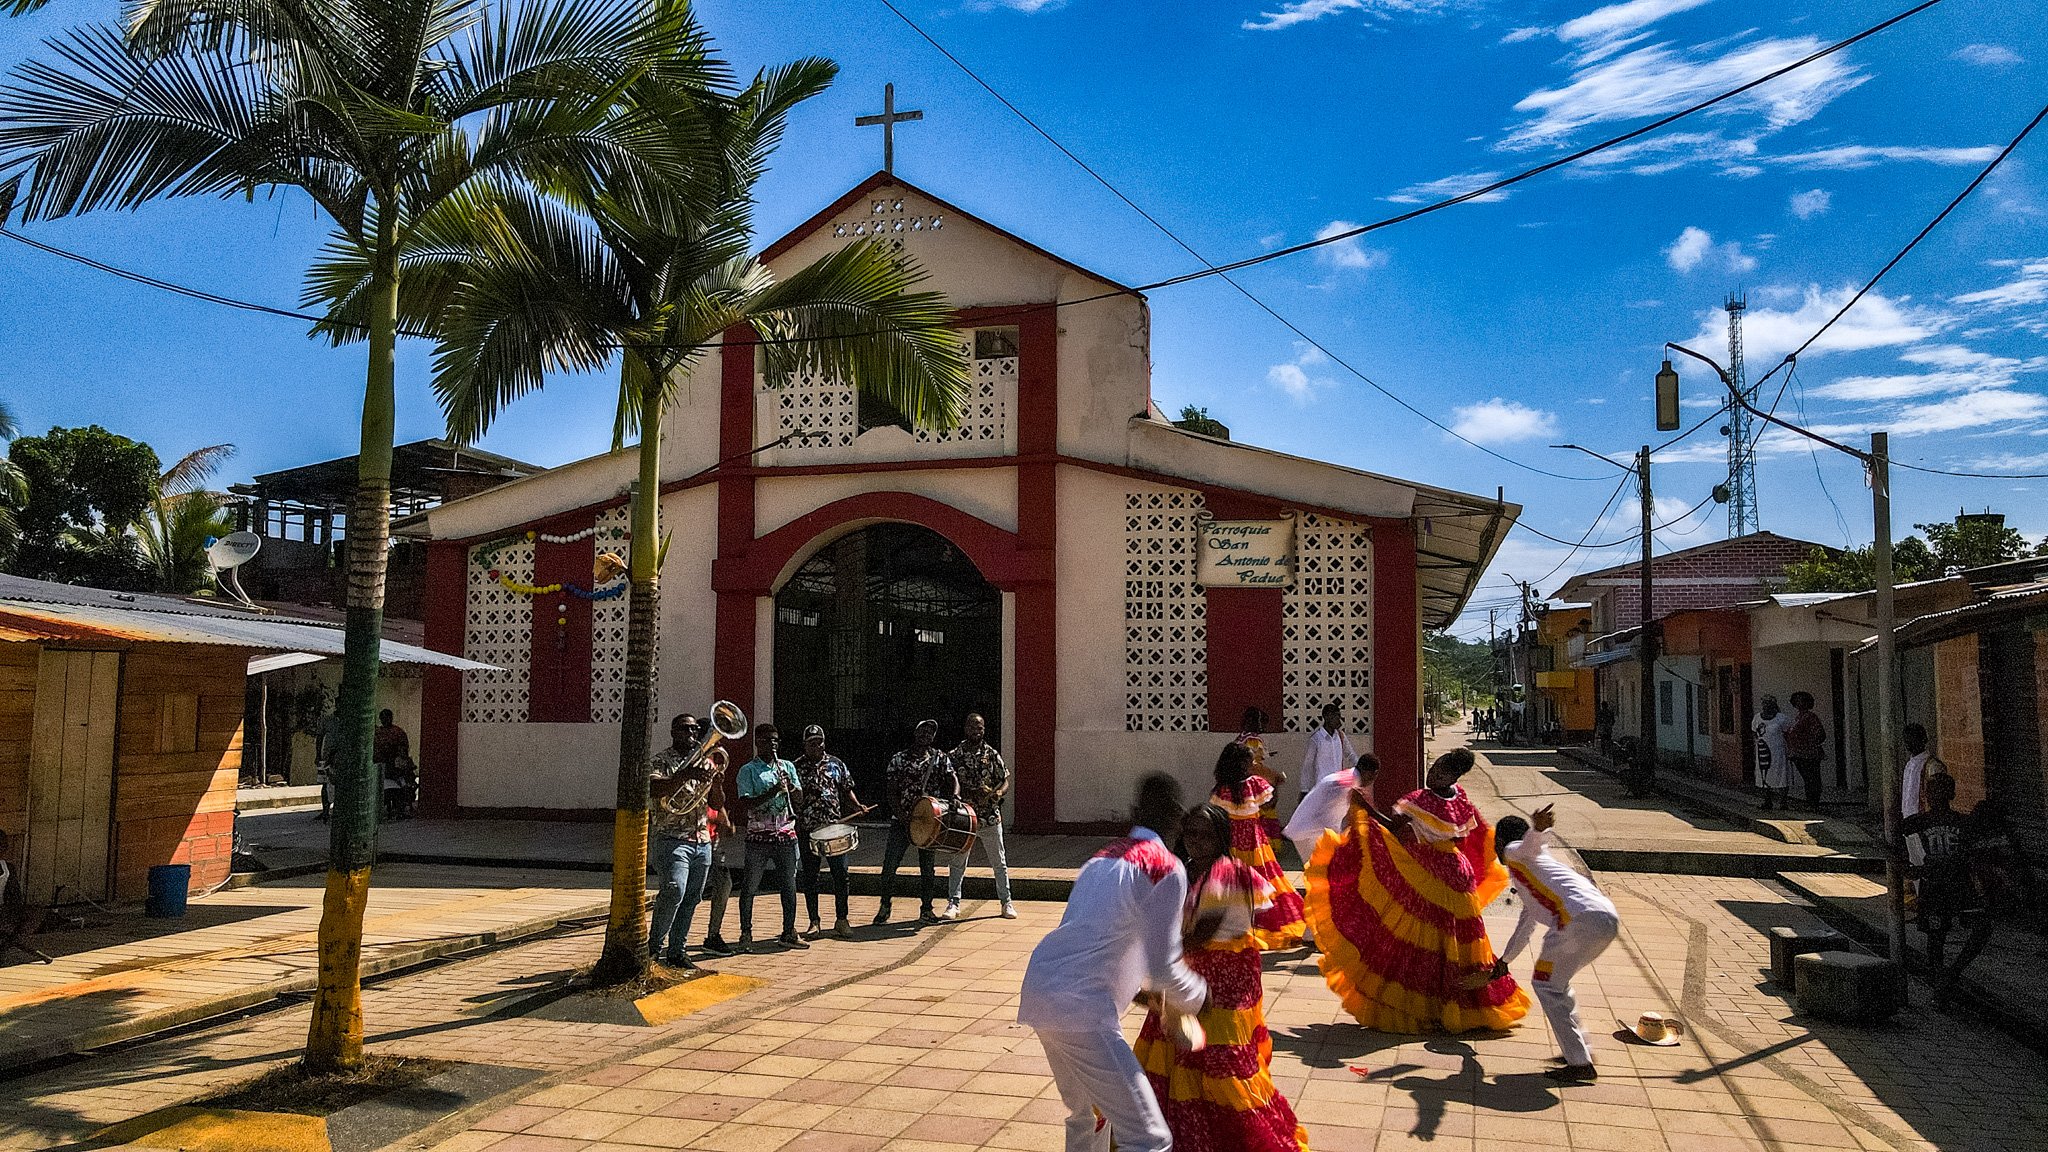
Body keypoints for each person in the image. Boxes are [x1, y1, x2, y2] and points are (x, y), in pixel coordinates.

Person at [1019, 773, 1210, 1152]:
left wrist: (1149, 995)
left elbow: (1099, 937)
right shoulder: (1167, 868)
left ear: (1133, 812)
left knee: (1085, 1117)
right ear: (1177, 818)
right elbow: (1164, 967)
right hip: (1082, 1008)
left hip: (1040, 990)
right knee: (1151, 1139)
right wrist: (1199, 998)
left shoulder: (1101, 857)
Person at [1305, 747, 1529, 1034]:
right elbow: (1462, 839)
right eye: (1433, 768)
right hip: (1459, 874)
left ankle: (1432, 1005)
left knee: (1414, 932)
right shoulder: (1460, 798)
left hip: (1431, 873)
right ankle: (1465, 1003)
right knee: (1459, 939)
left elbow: (1394, 829)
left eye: (1440, 771)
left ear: (1453, 776)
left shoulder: (1422, 800)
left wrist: (1366, 810)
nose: (1432, 774)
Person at [1133, 803, 1309, 1152]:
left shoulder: (1227, 872)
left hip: (1224, 980)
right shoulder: (1193, 870)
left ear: (1221, 837)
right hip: (1198, 972)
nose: (1196, 840)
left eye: (1205, 834)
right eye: (1190, 833)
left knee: (1223, 1067)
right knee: (1184, 1057)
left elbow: (1199, 934)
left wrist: (1147, 962)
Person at [1489, 804, 1621, 1083]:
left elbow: (1528, 846)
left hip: (1578, 921)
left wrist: (1538, 829)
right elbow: (1526, 924)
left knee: (1546, 984)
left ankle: (1579, 1063)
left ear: (1500, 841)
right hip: (1604, 919)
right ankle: (1579, 1051)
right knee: (1557, 984)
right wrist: (1505, 961)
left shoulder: (1515, 852)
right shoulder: (1533, 873)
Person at [1898, 772, 1987, 1008]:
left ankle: (1950, 975)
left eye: (1939, 791)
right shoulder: (1917, 822)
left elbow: (1974, 855)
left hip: (1959, 887)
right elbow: (1890, 840)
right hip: (1935, 888)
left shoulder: (1962, 823)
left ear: (1951, 794)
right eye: (1932, 792)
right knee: (1936, 939)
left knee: (1981, 928)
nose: (1934, 796)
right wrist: (1907, 867)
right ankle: (1941, 985)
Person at [1213, 742, 1305, 950]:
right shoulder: (1254, 784)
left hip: (1232, 842)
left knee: (1235, 885)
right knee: (1264, 880)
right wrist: (1276, 787)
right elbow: (1270, 804)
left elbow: (1219, 816)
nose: (1252, 764)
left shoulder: (1221, 789)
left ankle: (1235, 925)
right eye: (1249, 761)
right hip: (1254, 841)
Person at [647, 713, 712, 968]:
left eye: (695, 730)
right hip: (672, 838)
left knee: (692, 897)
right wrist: (685, 775)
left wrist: (716, 783)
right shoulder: (661, 761)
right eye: (685, 730)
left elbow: (716, 802)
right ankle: (653, 949)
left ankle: (677, 952)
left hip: (701, 840)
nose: (692, 735)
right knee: (674, 890)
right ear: (674, 732)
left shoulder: (704, 762)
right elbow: (654, 788)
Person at [736, 723, 807, 952]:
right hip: (758, 838)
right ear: (758, 743)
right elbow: (747, 802)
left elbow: (799, 800)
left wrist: (792, 788)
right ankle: (745, 933)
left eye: (776, 740)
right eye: (767, 740)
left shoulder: (787, 766)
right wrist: (774, 790)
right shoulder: (748, 770)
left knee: (789, 886)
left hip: (786, 835)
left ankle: (789, 931)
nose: (772, 744)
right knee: (750, 887)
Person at [877, 719, 954, 926]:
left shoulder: (940, 758)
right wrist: (901, 815)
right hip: (902, 821)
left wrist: (955, 796)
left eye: (930, 732)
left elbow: (952, 779)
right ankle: (885, 905)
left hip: (929, 821)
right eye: (922, 730)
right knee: (890, 866)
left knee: (927, 869)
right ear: (915, 732)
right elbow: (891, 791)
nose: (926, 735)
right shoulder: (899, 759)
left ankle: (927, 909)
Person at [793, 724, 862, 939]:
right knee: (811, 877)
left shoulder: (835, 763)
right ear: (805, 744)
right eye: (812, 742)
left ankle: (842, 919)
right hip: (808, 829)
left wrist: (856, 806)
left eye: (819, 741)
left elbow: (846, 788)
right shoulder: (795, 767)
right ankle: (814, 921)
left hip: (833, 828)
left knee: (841, 874)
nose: (817, 745)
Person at [945, 712, 1016, 920]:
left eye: (980, 728)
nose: (977, 731)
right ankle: (953, 903)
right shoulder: (955, 755)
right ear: (966, 729)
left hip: (989, 817)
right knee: (958, 861)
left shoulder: (992, 754)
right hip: (964, 817)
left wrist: (999, 792)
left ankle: (1006, 902)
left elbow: (1005, 779)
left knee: (999, 862)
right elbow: (948, 781)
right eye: (973, 727)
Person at [699, 747, 740, 957]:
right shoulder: (689, 766)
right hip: (693, 837)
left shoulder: (713, 765)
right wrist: (714, 820)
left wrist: (724, 820)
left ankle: (713, 935)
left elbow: (717, 802)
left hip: (713, 840)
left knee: (724, 884)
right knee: (686, 892)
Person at [1237, 706, 1285, 840]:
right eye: (1262, 723)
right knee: (1264, 810)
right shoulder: (1254, 741)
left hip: (1240, 781)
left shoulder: (1240, 739)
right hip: (1253, 781)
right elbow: (1254, 765)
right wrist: (1274, 776)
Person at [1899, 723, 1945, 864]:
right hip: (1909, 821)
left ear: (1923, 739)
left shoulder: (1932, 766)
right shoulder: (1910, 764)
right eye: (1906, 740)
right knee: (1915, 861)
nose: (1908, 744)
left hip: (1924, 821)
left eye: (1912, 739)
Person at [1300, 702, 1356, 807]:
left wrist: (1359, 769)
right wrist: (1304, 789)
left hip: (1339, 787)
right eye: (1336, 717)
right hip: (1323, 788)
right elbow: (1307, 765)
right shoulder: (1316, 739)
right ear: (1327, 717)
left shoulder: (1341, 736)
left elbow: (1351, 755)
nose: (1339, 721)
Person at [1785, 691, 1828, 809]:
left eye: (1802, 701)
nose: (1799, 703)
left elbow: (1820, 734)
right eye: (1797, 701)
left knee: (1812, 779)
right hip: (1798, 754)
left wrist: (1809, 743)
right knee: (1808, 779)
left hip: (1809, 754)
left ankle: (1813, 803)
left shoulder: (1810, 717)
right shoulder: (1798, 717)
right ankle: (1811, 802)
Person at [1751, 695, 1791, 811]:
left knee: (1781, 776)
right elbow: (1754, 732)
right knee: (1764, 775)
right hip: (1762, 751)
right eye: (1764, 703)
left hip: (1778, 752)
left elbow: (1788, 733)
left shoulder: (1781, 718)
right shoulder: (1757, 718)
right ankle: (1767, 801)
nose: (1765, 705)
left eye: (1768, 703)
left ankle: (1783, 802)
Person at [374, 709, 414, 819]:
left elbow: (403, 751)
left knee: (402, 786)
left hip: (394, 766)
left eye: (387, 717)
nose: (385, 720)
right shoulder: (378, 733)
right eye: (383, 718)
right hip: (382, 766)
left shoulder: (397, 733)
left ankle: (399, 809)